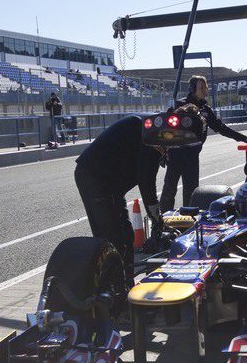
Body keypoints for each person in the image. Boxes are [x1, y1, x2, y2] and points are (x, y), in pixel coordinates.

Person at [74, 107, 204, 270]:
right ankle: (109, 285)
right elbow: (146, 181)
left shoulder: (154, 128)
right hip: (95, 177)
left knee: (127, 235)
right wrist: (156, 219)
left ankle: (125, 283)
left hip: (111, 185)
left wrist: (156, 217)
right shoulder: (153, 133)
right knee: (112, 239)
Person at [160, 75, 247, 210]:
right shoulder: (178, 105)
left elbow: (221, 128)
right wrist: (163, 152)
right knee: (169, 190)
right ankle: (163, 222)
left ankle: (189, 223)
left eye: (205, 87)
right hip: (175, 154)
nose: (205, 90)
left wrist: (245, 138)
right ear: (192, 89)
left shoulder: (206, 109)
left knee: (191, 192)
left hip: (192, 156)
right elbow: (165, 130)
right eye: (201, 87)